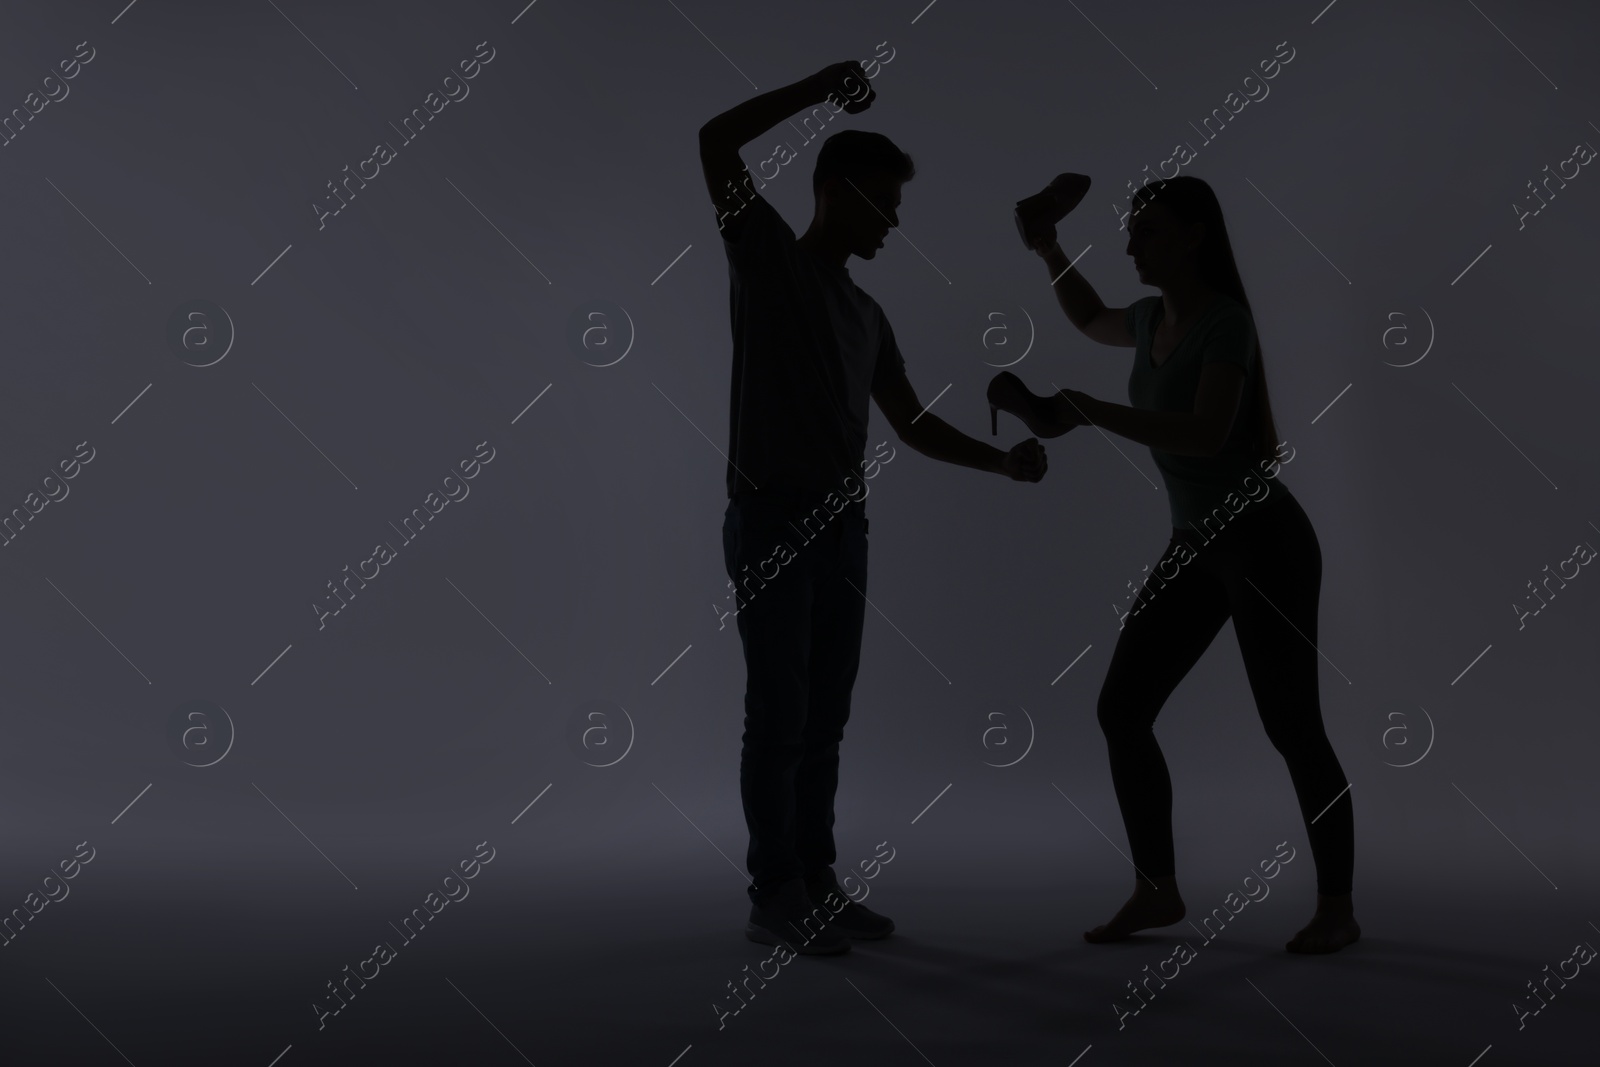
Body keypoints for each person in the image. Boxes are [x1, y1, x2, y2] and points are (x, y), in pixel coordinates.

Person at [699, 60, 1048, 956]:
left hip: (843, 529)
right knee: (778, 711)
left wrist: (1003, 463)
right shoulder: (767, 258)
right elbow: (715, 140)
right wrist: (821, 86)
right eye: (885, 200)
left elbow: (917, 422)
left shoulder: (868, 310)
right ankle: (773, 891)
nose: (896, 219)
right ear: (836, 188)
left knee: (825, 716)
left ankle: (813, 878)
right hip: (772, 519)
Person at [989, 174, 1359, 954]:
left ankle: (1337, 906)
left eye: (1147, 231)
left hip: (1264, 541)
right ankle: (1157, 890)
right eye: (1130, 231)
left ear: (1194, 236)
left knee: (1292, 726)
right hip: (1197, 543)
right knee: (1122, 709)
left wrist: (1086, 409)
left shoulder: (1225, 325)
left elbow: (1203, 434)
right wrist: (1048, 245)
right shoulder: (1152, 316)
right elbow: (1089, 315)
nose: (1130, 244)